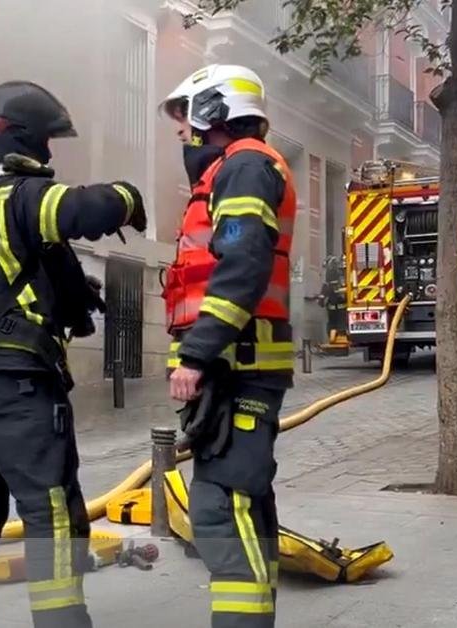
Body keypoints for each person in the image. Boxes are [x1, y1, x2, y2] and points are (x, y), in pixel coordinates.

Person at [0, 80, 147, 628]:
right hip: (21, 388)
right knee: (52, 513)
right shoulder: (17, 196)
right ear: (21, 138)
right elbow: (81, 207)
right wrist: (129, 197)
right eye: (47, 140)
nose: (50, 152)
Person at [159, 64, 297, 628]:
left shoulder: (243, 167)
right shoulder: (236, 169)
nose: (181, 134)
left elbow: (242, 265)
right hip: (238, 364)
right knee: (246, 503)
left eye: (184, 119)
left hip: (238, 365)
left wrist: (197, 353)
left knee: (219, 509)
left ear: (212, 112)